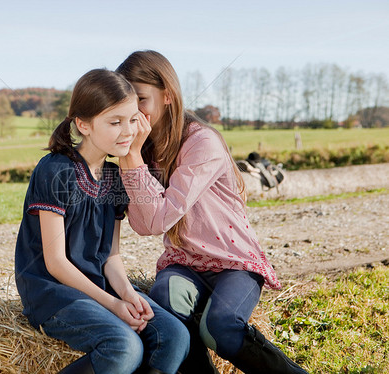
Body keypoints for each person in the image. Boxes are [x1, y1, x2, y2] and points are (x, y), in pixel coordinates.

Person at [116, 51, 308, 374]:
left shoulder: (201, 143)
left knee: (219, 325)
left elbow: (160, 217)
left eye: (141, 100)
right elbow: (143, 224)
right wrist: (132, 158)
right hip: (186, 264)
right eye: (126, 104)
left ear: (167, 96)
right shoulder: (143, 153)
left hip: (234, 263)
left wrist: (132, 158)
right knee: (164, 298)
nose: (134, 113)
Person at [14, 69, 189, 374]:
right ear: (83, 124)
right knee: (123, 347)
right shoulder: (55, 171)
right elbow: (55, 263)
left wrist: (129, 296)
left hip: (99, 283)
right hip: (52, 291)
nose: (128, 131)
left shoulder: (115, 178)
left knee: (174, 336)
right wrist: (112, 305)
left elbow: (111, 256)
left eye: (133, 120)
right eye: (115, 122)